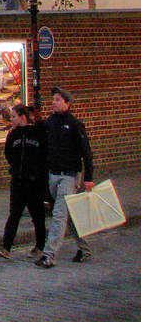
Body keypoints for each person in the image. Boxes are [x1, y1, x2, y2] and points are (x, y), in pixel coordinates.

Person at [37, 87, 94, 267]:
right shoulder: (50, 122)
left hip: (69, 176)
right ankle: (84, 249)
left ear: (67, 103)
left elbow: (87, 153)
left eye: (58, 100)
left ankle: (49, 255)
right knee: (68, 215)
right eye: (53, 99)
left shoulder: (75, 124)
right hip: (53, 175)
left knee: (59, 215)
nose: (54, 102)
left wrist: (88, 178)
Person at [0, 104, 46, 259]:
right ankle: (6, 248)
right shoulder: (13, 134)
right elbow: (8, 153)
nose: (12, 119)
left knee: (37, 215)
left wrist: (38, 173)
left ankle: (40, 246)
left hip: (35, 182)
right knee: (14, 214)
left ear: (23, 116)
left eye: (14, 116)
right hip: (18, 180)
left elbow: (44, 154)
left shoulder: (38, 133)